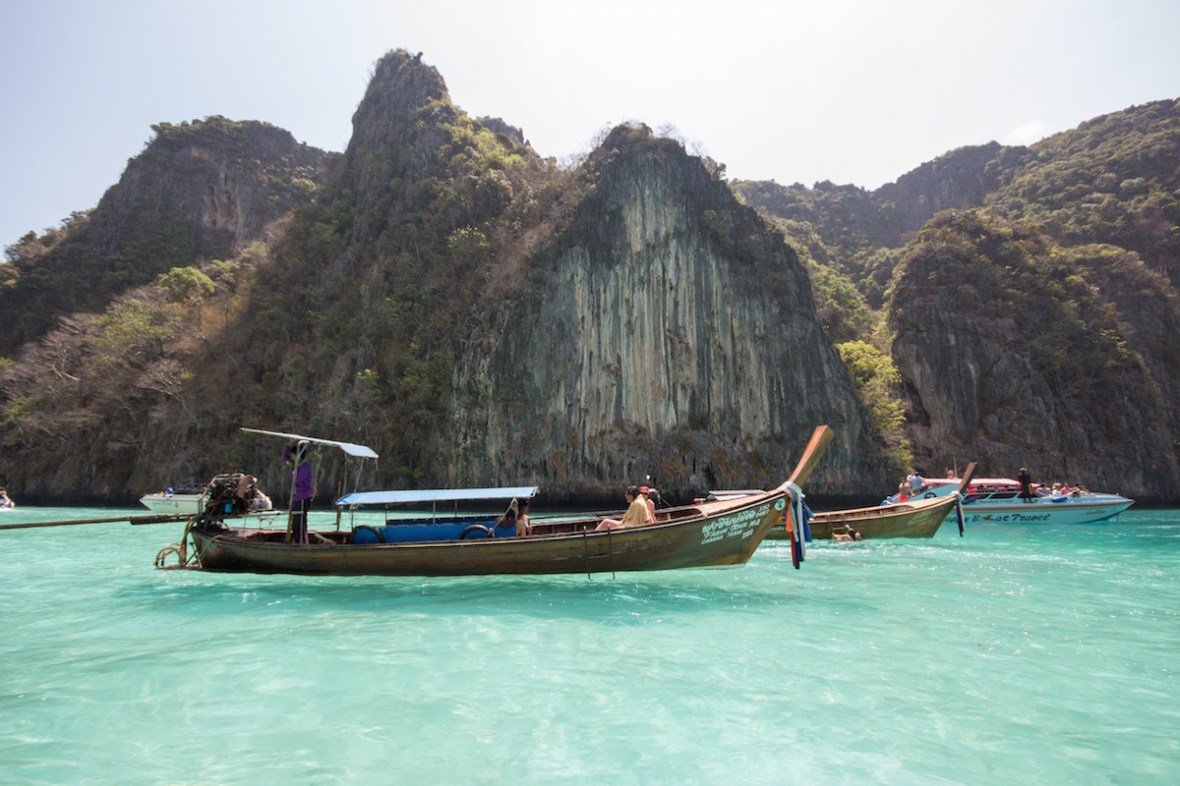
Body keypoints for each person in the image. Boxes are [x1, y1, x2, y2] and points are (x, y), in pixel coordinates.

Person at [283, 441, 313, 543]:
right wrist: (288, 445)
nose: (291, 458)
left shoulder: (305, 467)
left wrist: (292, 470)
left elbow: (296, 479)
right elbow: (286, 456)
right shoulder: (298, 466)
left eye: (293, 456)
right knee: (295, 522)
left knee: (299, 522)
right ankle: (297, 541)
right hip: (297, 497)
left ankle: (301, 542)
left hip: (303, 498)